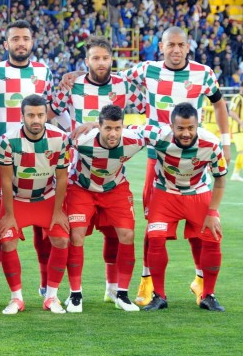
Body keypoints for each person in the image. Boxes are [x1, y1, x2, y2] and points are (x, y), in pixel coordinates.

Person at [60, 26, 230, 307]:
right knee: (155, 226)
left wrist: (226, 142)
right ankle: (148, 282)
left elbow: (220, 104)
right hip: (157, 153)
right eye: (170, 45)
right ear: (161, 47)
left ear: (188, 46)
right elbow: (108, 75)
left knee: (202, 227)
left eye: (181, 45)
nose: (176, 50)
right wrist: (80, 73)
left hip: (193, 155)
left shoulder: (204, 73)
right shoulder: (146, 70)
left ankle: (201, 282)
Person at [49, 36, 144, 305]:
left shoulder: (124, 84)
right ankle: (73, 293)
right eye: (95, 58)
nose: (100, 63)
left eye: (105, 58)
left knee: (118, 234)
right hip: (80, 169)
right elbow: (52, 109)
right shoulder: (73, 84)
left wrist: (99, 125)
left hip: (112, 171)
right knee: (76, 235)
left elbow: (147, 107)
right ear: (86, 61)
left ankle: (114, 291)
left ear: (111, 59)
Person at [0, 20, 55, 307]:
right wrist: (4, 130)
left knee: (42, 227)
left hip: (39, 158)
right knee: (1, 223)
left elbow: (50, 109)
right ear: (6, 43)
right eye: (15, 39)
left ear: (32, 42)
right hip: (3, 159)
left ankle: (46, 284)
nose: (21, 43)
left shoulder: (44, 71)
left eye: (25, 38)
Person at [140, 102, 227, 312]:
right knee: (155, 239)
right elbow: (124, 130)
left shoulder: (212, 144)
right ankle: (159, 296)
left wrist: (212, 212)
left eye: (190, 128)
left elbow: (220, 180)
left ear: (198, 125)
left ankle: (208, 295)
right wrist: (94, 126)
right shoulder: (158, 135)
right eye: (180, 128)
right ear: (171, 126)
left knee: (212, 238)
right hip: (165, 193)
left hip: (198, 193)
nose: (186, 133)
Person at [64, 105, 144, 313]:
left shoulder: (134, 140)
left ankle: (122, 294)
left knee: (127, 234)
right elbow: (57, 144)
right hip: (81, 188)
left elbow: (157, 132)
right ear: (99, 127)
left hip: (114, 188)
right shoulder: (82, 140)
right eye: (108, 128)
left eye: (117, 128)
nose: (113, 134)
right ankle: (75, 294)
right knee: (76, 235)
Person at [0, 94, 71, 315]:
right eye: (30, 115)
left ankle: (51, 297)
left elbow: (62, 178)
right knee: (7, 242)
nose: (36, 120)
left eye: (40, 115)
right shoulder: (8, 141)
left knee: (62, 239)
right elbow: (5, 180)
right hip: (17, 200)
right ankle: (16, 298)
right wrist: (9, 215)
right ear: (22, 116)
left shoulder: (60, 138)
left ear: (47, 116)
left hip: (45, 198)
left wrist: (58, 212)